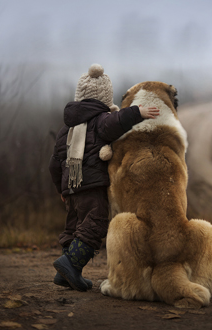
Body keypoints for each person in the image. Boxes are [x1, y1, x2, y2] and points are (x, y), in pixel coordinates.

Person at [49, 64, 160, 291]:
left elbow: (54, 163)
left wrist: (61, 189)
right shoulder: (100, 120)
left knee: (74, 228)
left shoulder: (65, 130)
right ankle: (70, 264)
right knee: (95, 224)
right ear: (104, 98)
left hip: (70, 188)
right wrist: (138, 112)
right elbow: (116, 122)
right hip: (91, 186)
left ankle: (67, 273)